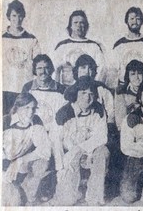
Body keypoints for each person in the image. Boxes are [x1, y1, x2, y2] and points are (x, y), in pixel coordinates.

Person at [49, 76, 110, 206]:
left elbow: (102, 137)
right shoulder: (63, 113)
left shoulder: (99, 110)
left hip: (89, 152)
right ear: (75, 94)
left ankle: (94, 196)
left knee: (103, 152)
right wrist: (60, 169)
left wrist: (80, 149)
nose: (87, 98)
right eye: (83, 93)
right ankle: (73, 188)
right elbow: (56, 142)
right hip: (68, 155)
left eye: (91, 94)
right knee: (67, 201)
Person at [2, 93, 51, 206]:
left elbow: (46, 150)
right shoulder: (5, 122)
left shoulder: (36, 120)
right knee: (13, 203)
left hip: (23, 163)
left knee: (42, 163)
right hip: (5, 165)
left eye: (33, 108)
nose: (30, 112)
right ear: (17, 108)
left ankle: (30, 194)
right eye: (26, 108)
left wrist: (20, 161)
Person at [21, 54, 67, 170]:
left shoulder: (61, 89)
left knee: (56, 139)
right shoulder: (28, 87)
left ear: (51, 69)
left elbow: (64, 115)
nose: (43, 71)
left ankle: (60, 172)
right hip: (33, 129)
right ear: (35, 70)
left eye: (46, 68)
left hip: (53, 130)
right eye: (39, 68)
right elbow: (22, 111)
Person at [3, 0, 41, 115]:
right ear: (9, 16)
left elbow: (38, 64)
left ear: (23, 17)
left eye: (20, 16)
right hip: (4, 88)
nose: (17, 19)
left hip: (24, 89)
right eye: (14, 15)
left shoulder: (31, 39)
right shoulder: (2, 38)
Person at [51, 10, 107, 86]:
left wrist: (94, 87)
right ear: (70, 25)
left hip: (88, 89)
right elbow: (55, 70)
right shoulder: (62, 45)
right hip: (66, 89)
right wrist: (57, 89)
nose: (79, 25)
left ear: (86, 25)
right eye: (75, 22)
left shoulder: (94, 46)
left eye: (82, 23)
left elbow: (102, 69)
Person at [109, 7, 143, 88]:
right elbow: (113, 71)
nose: (135, 21)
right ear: (126, 21)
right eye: (132, 18)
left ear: (142, 21)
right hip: (124, 87)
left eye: (138, 19)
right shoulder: (119, 45)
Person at [70, 54, 114, 124]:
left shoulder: (101, 89)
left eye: (90, 68)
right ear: (77, 70)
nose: (86, 72)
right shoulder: (71, 90)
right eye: (83, 67)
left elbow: (111, 112)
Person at [115, 59, 143, 130]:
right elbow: (120, 119)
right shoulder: (121, 92)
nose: (137, 77)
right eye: (133, 74)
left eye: (139, 73)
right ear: (128, 76)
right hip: (129, 129)